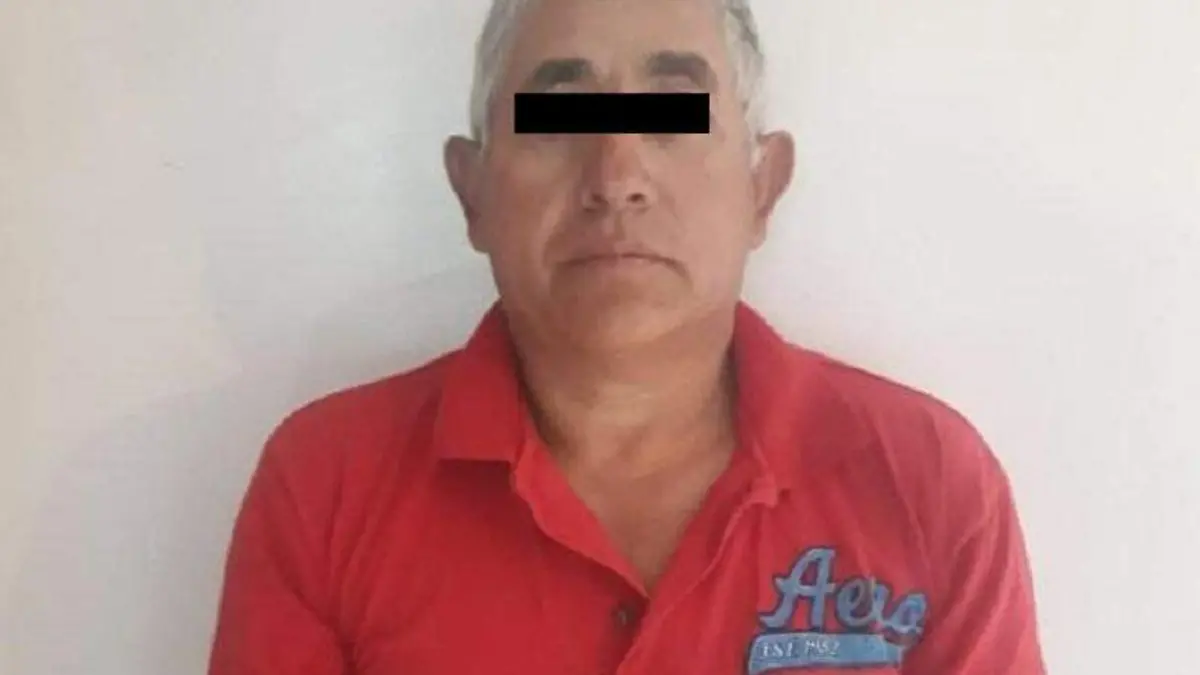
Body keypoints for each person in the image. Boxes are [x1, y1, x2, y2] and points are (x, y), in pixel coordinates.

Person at [207, 0, 1047, 673]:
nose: (615, 177)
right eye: (556, 118)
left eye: (673, 116)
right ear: (471, 193)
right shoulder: (327, 487)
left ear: (763, 186)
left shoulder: (927, 482)